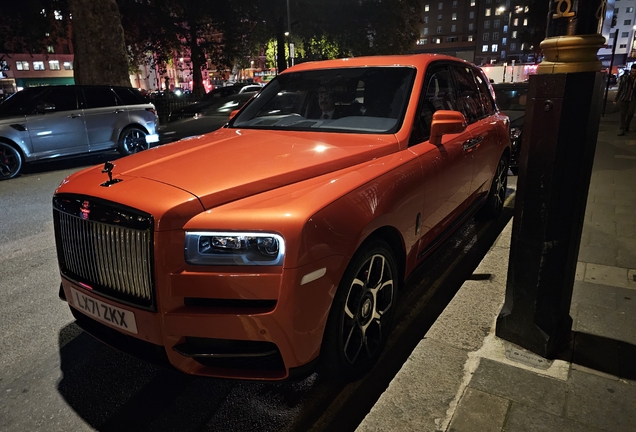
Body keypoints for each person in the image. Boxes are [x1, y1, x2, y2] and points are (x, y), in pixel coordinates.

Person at [614, 65, 636, 135]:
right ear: (630, 71)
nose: (634, 73)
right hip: (624, 98)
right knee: (623, 114)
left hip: (632, 98)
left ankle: (627, 125)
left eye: (635, 71)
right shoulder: (624, 78)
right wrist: (616, 98)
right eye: (633, 71)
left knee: (630, 113)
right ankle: (622, 129)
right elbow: (620, 88)